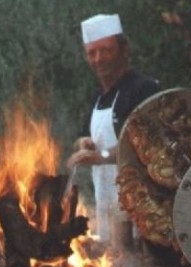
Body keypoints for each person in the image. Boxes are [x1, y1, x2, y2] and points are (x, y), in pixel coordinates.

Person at [66, 13, 160, 250]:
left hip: (146, 211)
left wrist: (101, 157)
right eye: (92, 53)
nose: (99, 59)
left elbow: (151, 146)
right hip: (109, 206)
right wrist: (83, 143)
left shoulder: (144, 89)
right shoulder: (99, 98)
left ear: (124, 49)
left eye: (106, 50)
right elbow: (82, 137)